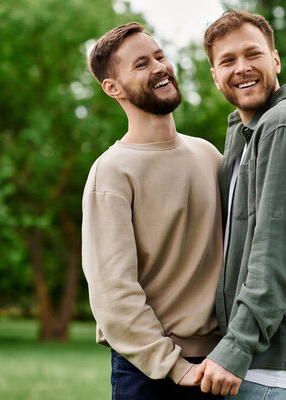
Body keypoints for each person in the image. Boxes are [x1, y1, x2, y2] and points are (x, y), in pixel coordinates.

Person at [194, 10, 286, 399]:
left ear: (275, 60)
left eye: (252, 54)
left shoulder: (284, 126)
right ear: (214, 76)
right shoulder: (248, 134)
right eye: (227, 61)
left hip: (272, 372)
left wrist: (236, 346)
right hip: (260, 367)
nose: (241, 68)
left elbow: (275, 254)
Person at [81, 22, 224, 400]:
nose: (159, 67)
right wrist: (174, 367)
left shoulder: (208, 155)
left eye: (160, 56)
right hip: (149, 375)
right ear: (113, 88)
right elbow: (113, 294)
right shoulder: (112, 172)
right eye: (141, 64)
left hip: (219, 365)